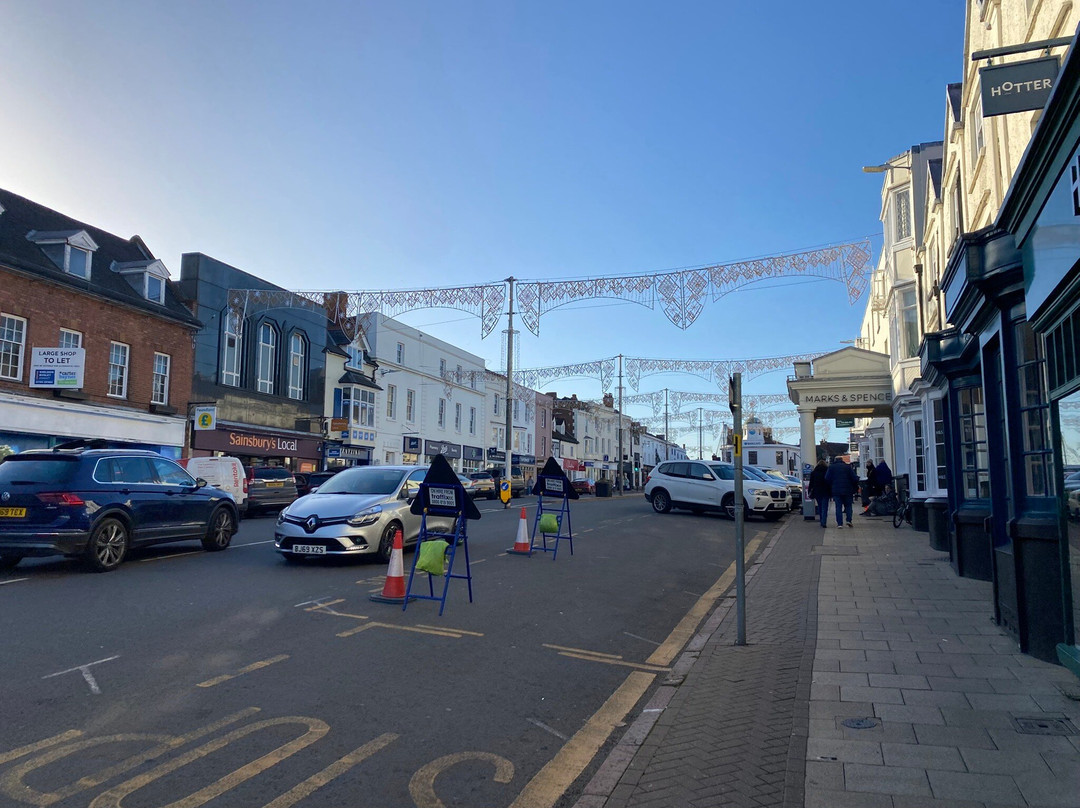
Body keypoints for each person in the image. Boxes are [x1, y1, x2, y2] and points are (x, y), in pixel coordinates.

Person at [824, 456, 859, 528]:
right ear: (842, 460)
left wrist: (832, 484)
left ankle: (839, 523)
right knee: (848, 506)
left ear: (835, 460)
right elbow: (854, 478)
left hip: (836, 490)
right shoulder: (848, 467)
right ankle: (849, 520)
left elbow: (827, 478)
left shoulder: (831, 467)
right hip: (848, 490)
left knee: (838, 507)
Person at [807, 459, 831, 528]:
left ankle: (821, 520)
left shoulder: (814, 472)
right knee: (825, 507)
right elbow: (829, 482)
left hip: (817, 491)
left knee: (820, 506)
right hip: (826, 491)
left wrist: (809, 491)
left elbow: (811, 483)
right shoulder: (827, 471)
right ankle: (824, 521)